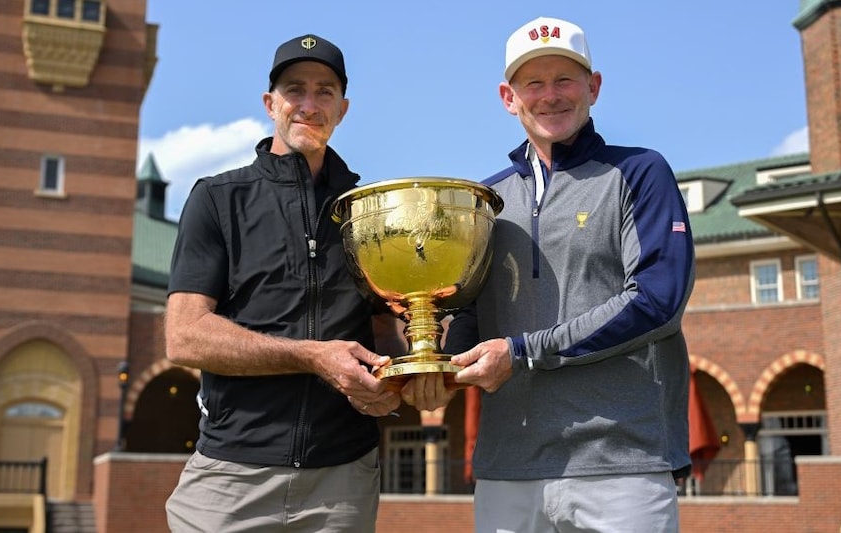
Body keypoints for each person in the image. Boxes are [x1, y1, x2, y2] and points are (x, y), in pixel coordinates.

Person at [443, 16, 696, 532]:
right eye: (532, 83)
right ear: (507, 97)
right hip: (507, 465)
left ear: (593, 87)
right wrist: (433, 372)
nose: (549, 95)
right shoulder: (483, 201)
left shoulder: (641, 171)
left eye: (565, 79)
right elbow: (471, 314)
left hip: (622, 463)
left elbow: (656, 300)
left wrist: (522, 352)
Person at [164, 33, 401, 532]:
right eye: (295, 90)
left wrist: (401, 377)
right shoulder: (217, 200)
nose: (309, 105)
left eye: (325, 92)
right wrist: (312, 356)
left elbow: (386, 329)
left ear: (343, 108)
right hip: (231, 479)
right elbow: (184, 335)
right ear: (271, 103)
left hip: (342, 481)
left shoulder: (369, 214)